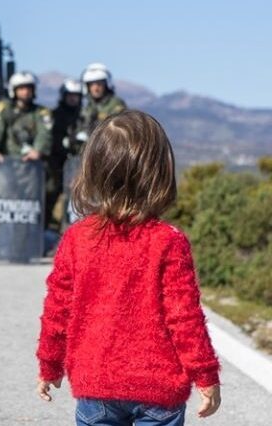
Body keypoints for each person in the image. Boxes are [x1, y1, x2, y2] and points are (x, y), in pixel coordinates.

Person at [36, 110, 221, 426]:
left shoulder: (77, 238)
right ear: (158, 173)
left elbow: (58, 311)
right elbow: (184, 317)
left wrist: (49, 365)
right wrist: (204, 373)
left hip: (97, 387)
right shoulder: (168, 241)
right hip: (159, 392)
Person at [0, 71, 52, 164]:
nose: (26, 92)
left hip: (31, 163)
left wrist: (38, 150)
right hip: (6, 162)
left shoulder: (41, 112)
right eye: (21, 88)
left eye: (29, 88)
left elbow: (44, 133)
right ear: (13, 90)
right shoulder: (4, 109)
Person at [46, 78, 82, 231]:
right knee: (50, 194)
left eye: (76, 95)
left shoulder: (83, 116)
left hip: (75, 164)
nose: (73, 99)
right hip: (55, 163)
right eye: (70, 95)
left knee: (73, 198)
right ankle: (47, 227)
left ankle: (69, 230)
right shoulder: (54, 115)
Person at [78, 62, 126, 138]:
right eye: (91, 84)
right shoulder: (87, 108)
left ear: (106, 85)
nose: (96, 88)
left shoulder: (116, 104)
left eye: (99, 84)